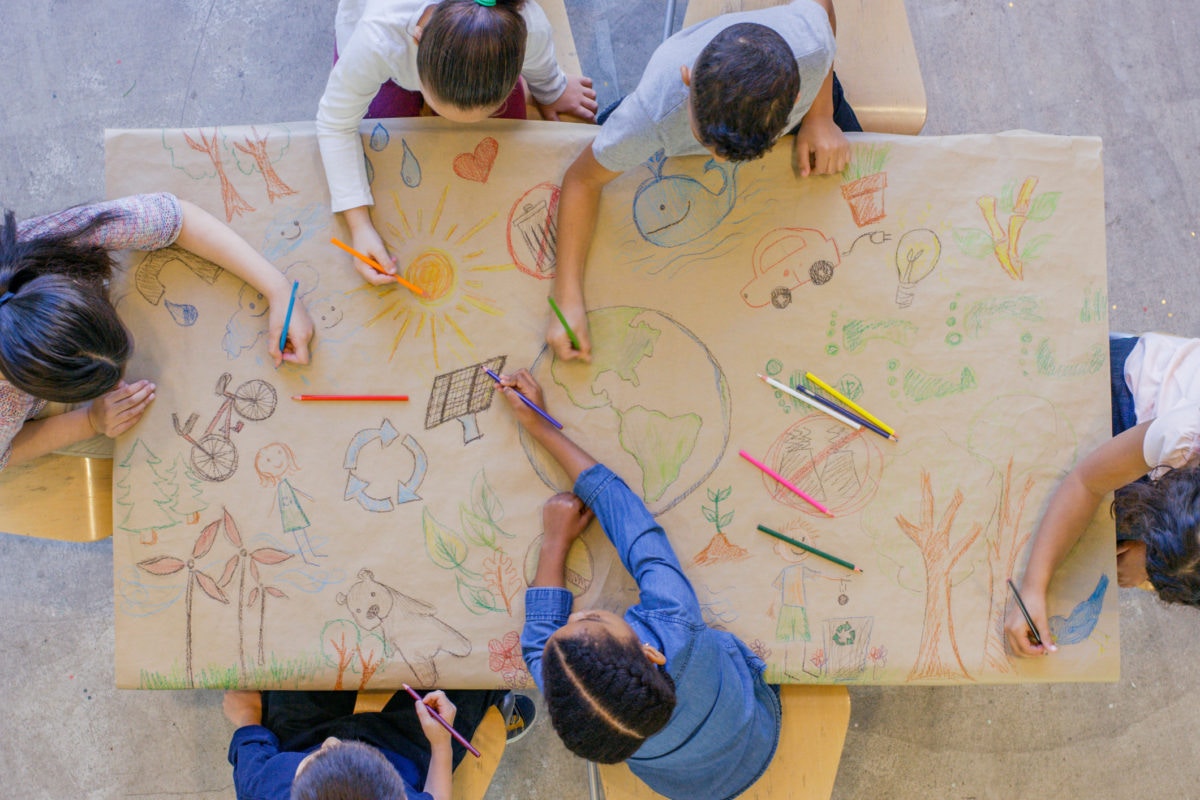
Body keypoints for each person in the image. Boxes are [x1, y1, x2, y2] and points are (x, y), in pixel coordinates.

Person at [496, 368, 781, 799]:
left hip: (687, 787)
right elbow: (634, 528)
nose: (573, 611)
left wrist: (555, 543)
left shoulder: (574, 692)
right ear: (652, 653)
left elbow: (539, 646)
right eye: (591, 618)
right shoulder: (675, 625)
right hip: (757, 730)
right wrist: (538, 425)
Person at [545, 0, 860, 362]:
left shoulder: (812, 47)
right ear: (688, 78)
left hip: (807, 98)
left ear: (797, 97)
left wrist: (820, 115)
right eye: (707, 142)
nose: (718, 160)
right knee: (608, 133)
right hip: (669, 109)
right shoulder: (652, 114)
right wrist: (564, 298)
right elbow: (582, 180)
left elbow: (823, 7)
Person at [0, 193, 314, 472]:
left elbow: (179, 218)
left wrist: (278, 291)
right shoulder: (6, 412)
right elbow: (7, 454)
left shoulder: (39, 245)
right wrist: (89, 422)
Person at [318, 0, 598, 286]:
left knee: (505, 129)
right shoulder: (378, 38)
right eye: (437, 105)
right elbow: (334, 122)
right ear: (418, 38)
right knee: (380, 133)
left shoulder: (528, 24)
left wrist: (553, 90)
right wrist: (359, 224)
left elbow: (540, 58)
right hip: (383, 51)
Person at [1006, 332, 1200, 657]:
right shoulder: (1185, 433)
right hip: (1133, 392)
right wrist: (1033, 587)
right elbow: (1085, 481)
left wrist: (1150, 564)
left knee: (1102, 548)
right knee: (1027, 480)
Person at [223, 687, 523, 800]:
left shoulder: (262, 787)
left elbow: (249, 735)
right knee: (477, 676)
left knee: (299, 658)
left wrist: (249, 713)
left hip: (304, 735)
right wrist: (441, 743)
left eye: (321, 755)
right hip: (403, 749)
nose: (335, 742)